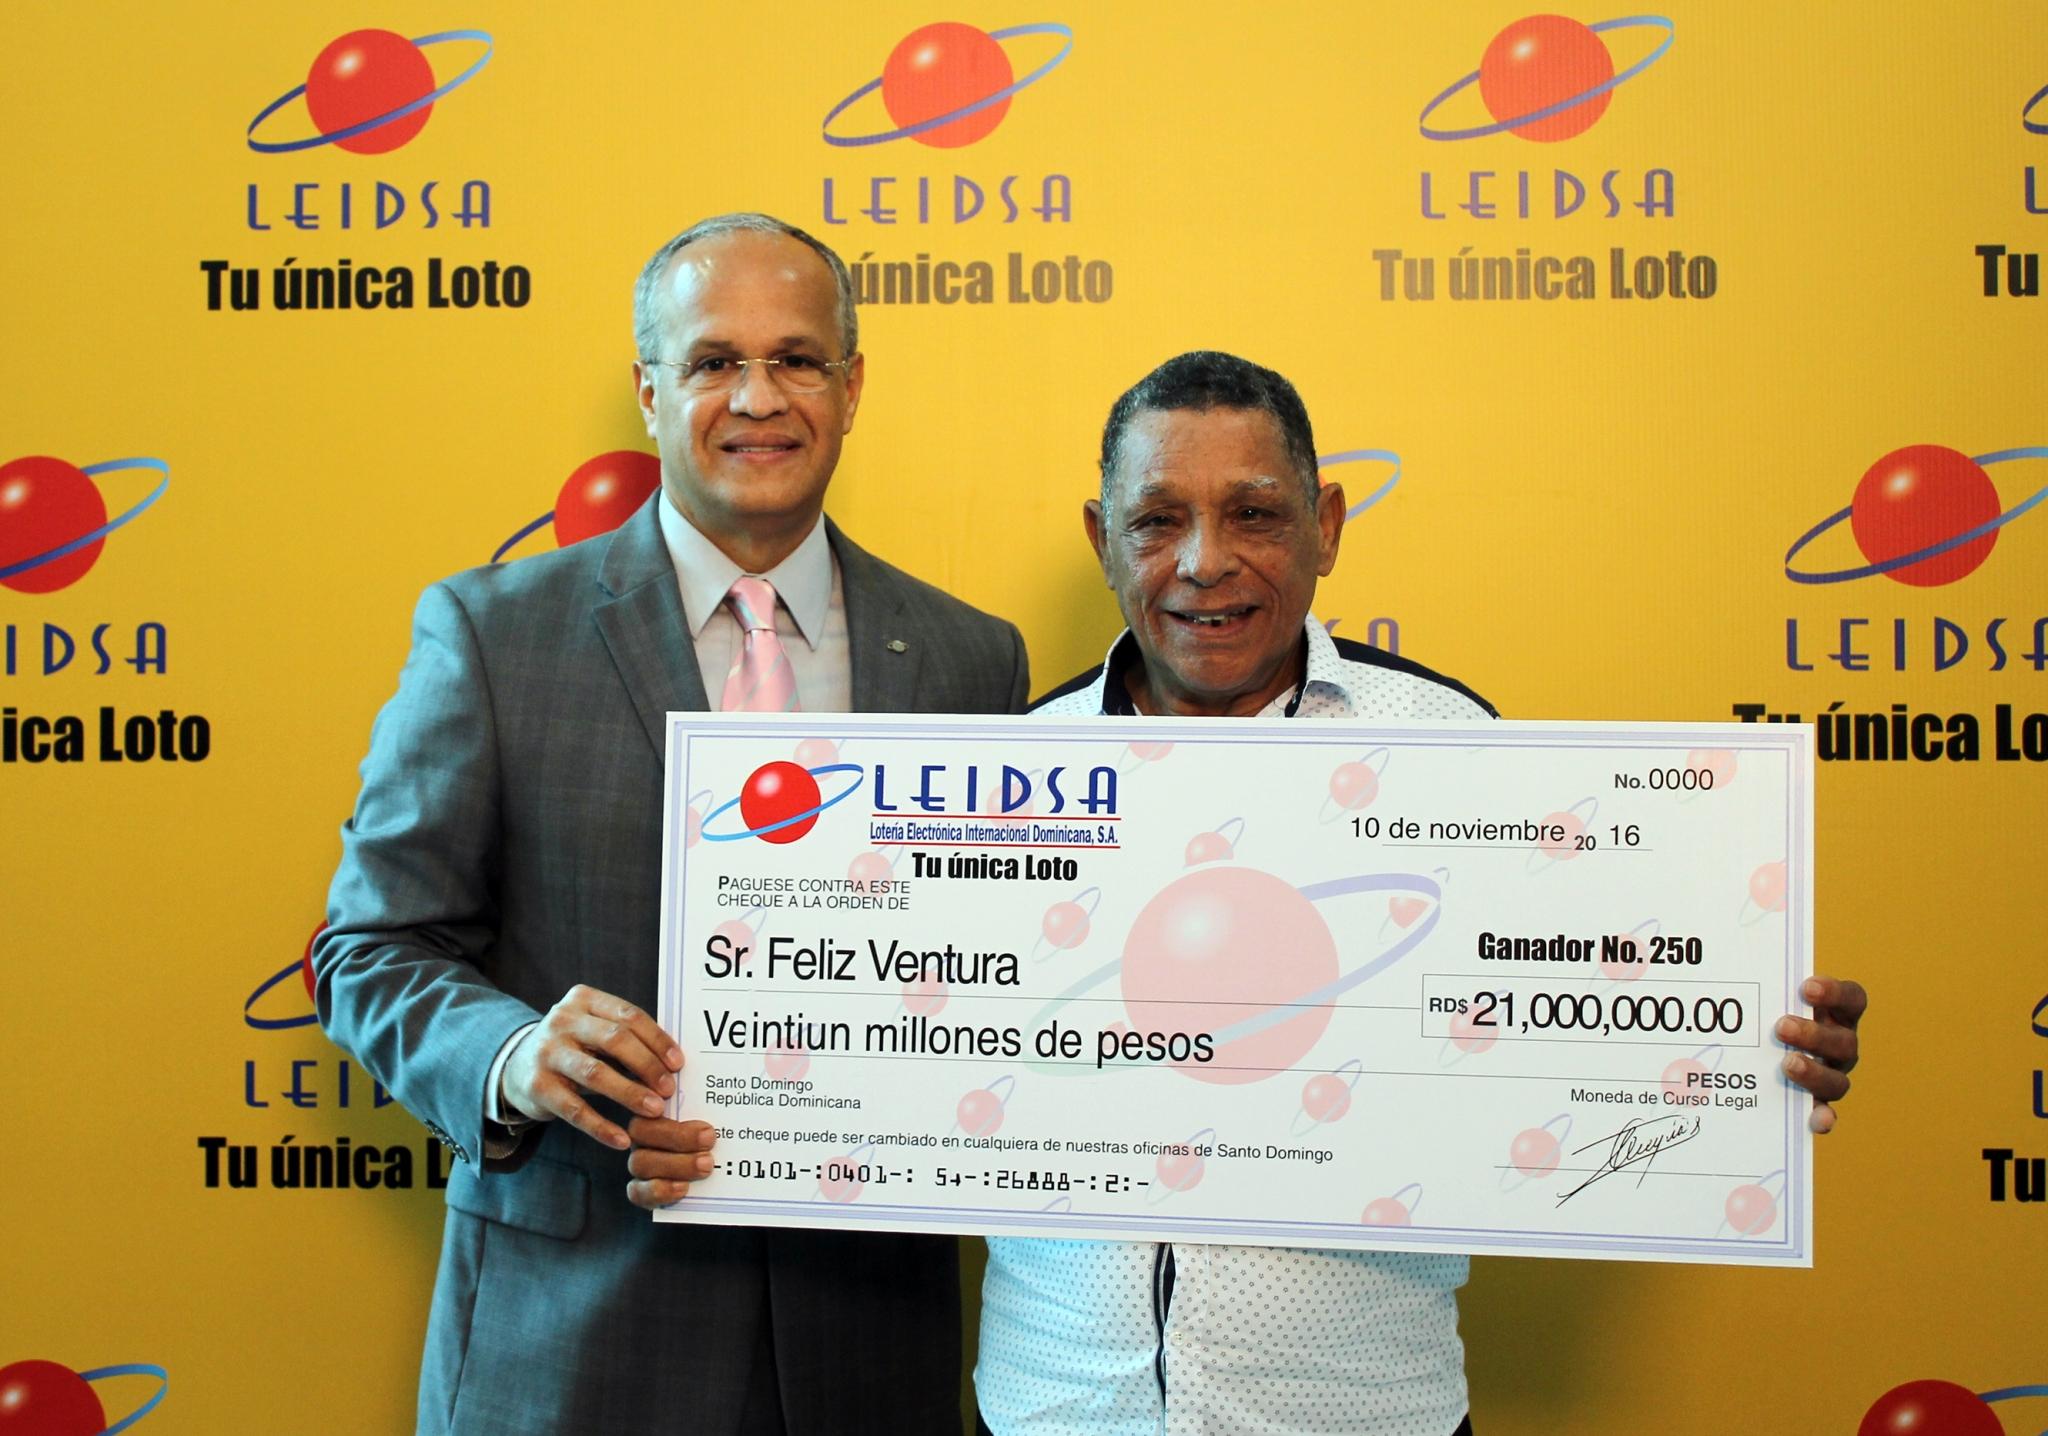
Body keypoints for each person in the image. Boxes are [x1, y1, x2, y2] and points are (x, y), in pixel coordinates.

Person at [975, 350, 1867, 1436]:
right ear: (1101, 539)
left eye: (1253, 514)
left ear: (1326, 527)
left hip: (1360, 1408)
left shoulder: (1453, 746)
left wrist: (1754, 1055)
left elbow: (1583, 1016)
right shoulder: (1009, 767)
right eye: (1157, 520)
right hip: (1058, 1406)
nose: (1204, 561)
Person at [315, 212, 1028, 1436]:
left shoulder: (969, 658)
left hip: (865, 1347)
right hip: (573, 1345)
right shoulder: (493, 635)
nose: (758, 397)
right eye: (712, 361)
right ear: (649, 392)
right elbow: (370, 950)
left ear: (852, 387)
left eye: (796, 359)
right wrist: (514, 1054)